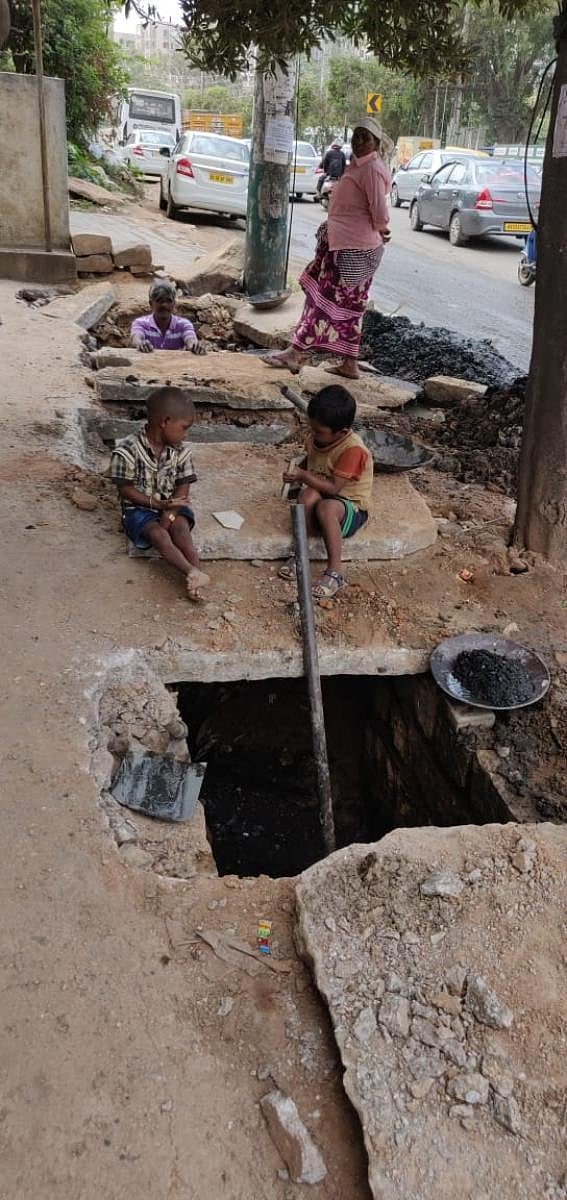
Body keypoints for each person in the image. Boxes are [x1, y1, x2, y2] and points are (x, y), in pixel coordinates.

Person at [263, 116, 392, 381]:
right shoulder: (359, 166)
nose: (358, 141)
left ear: (376, 143)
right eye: (356, 135)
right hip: (346, 245)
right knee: (348, 307)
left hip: (352, 249)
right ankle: (348, 363)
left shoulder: (371, 170)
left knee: (324, 302)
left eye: (364, 137)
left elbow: (379, 209)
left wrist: (382, 228)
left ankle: (297, 352)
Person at [109, 386, 210, 601]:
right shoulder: (127, 450)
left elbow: (183, 485)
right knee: (159, 535)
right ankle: (190, 572)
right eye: (184, 428)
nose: (186, 434)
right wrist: (158, 506)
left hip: (170, 506)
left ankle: (197, 576)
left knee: (181, 529)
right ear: (165, 422)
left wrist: (170, 512)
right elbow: (125, 490)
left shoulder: (180, 451)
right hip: (139, 510)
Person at [280, 385, 373, 599]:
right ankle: (301, 552)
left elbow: (333, 488)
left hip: (351, 508)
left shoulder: (352, 450)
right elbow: (310, 461)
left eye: (319, 432)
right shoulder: (318, 438)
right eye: (312, 429)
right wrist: (296, 474)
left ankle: (335, 572)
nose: (313, 435)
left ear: (341, 432)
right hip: (327, 497)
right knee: (307, 496)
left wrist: (303, 476)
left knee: (326, 508)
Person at [130, 280, 206, 354]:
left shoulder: (184, 324)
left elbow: (190, 339)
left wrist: (195, 346)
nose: (164, 305)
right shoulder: (140, 323)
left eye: (169, 301)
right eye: (159, 301)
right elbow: (136, 338)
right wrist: (140, 343)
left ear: (174, 304)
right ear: (151, 303)